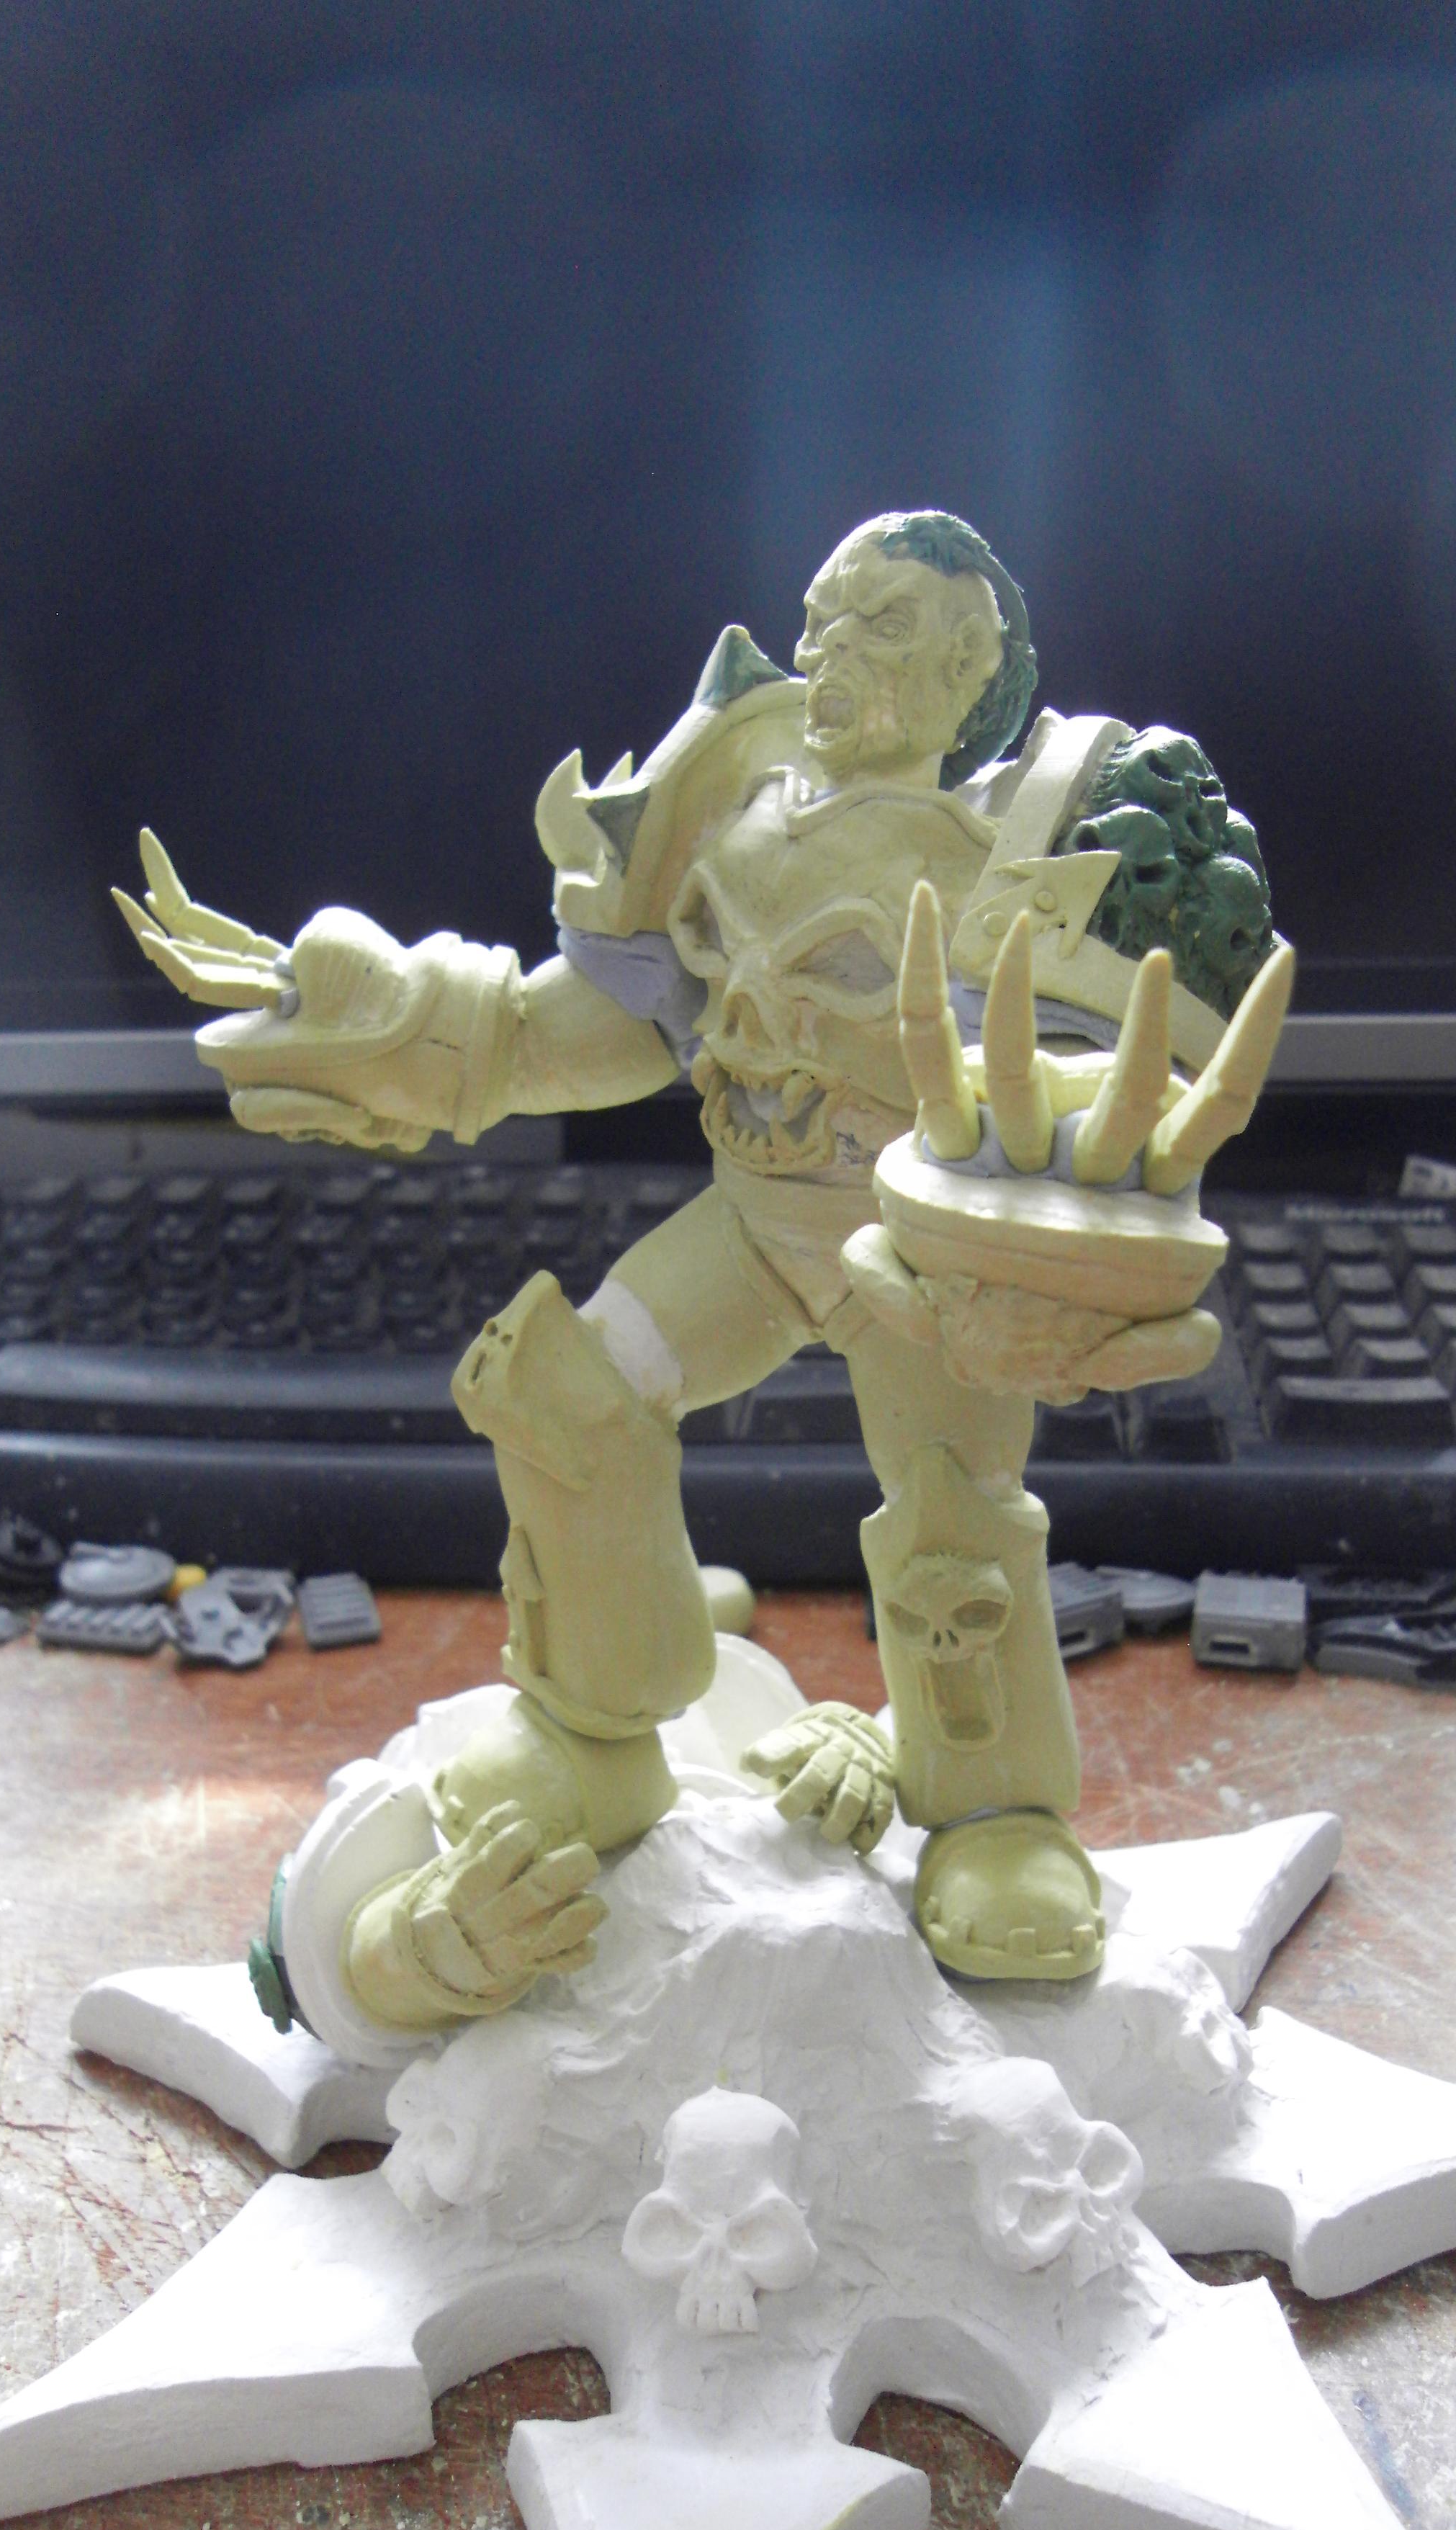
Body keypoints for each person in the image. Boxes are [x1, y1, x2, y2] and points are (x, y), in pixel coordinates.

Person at [118, 510, 1292, 2035]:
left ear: (968, 662)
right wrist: (421, 1024)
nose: (832, 650)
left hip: (911, 1249)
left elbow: (1085, 1082)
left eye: (881, 623)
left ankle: (995, 1811)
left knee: (953, 1523)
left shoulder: (1023, 856)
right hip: (751, 1220)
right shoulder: (733, 810)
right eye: (823, 618)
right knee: (565, 1387)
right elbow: (617, 1026)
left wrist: (1073, 1213)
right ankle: (595, 1727)